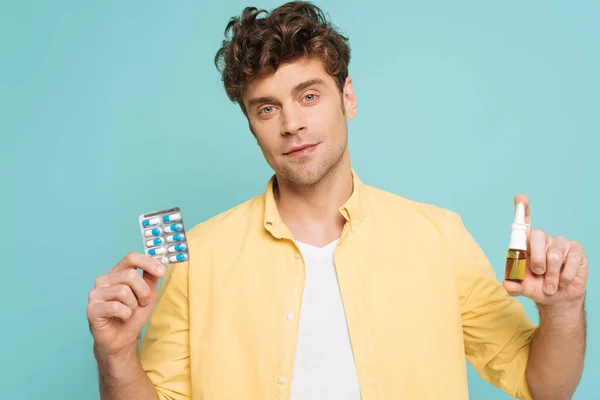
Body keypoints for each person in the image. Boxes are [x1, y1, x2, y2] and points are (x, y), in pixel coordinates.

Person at [86, 2, 588, 399]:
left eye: (309, 96)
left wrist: (564, 311)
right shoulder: (198, 257)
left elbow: (544, 386)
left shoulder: (438, 237)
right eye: (267, 108)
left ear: (347, 97)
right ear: (251, 125)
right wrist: (116, 354)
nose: (291, 124)